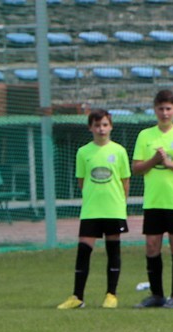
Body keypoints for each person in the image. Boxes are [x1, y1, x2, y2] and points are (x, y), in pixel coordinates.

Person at [132, 89, 173, 309]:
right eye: (161, 108)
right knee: (152, 246)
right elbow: (136, 168)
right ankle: (157, 295)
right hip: (153, 201)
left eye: (168, 108)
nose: (164, 113)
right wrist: (154, 160)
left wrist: (169, 164)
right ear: (155, 110)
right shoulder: (145, 135)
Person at [57, 108, 131, 310]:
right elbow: (82, 181)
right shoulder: (83, 152)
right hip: (91, 210)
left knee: (113, 250)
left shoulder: (119, 151)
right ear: (90, 128)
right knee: (83, 251)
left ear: (111, 127)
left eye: (105, 125)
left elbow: (125, 182)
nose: (101, 129)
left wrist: (120, 204)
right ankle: (77, 297)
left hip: (113, 209)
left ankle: (111, 295)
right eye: (97, 125)